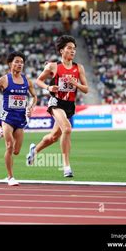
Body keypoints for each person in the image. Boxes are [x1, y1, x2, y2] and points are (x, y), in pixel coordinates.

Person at [27, 35, 89, 177]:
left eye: (74, 49)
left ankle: (34, 150)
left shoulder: (79, 68)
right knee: (67, 129)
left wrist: (75, 84)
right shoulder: (53, 66)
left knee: (54, 137)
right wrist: (48, 88)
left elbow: (86, 89)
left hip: (69, 105)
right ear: (62, 51)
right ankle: (66, 166)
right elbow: (39, 81)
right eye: (69, 48)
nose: (72, 51)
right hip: (56, 103)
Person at [0, 51, 37, 186]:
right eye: (17, 62)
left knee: (16, 151)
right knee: (9, 146)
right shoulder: (3, 80)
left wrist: (31, 107)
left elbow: (34, 96)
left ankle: (33, 150)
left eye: (21, 62)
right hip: (8, 117)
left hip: (20, 119)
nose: (19, 64)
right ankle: (10, 177)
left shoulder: (27, 81)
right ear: (10, 64)